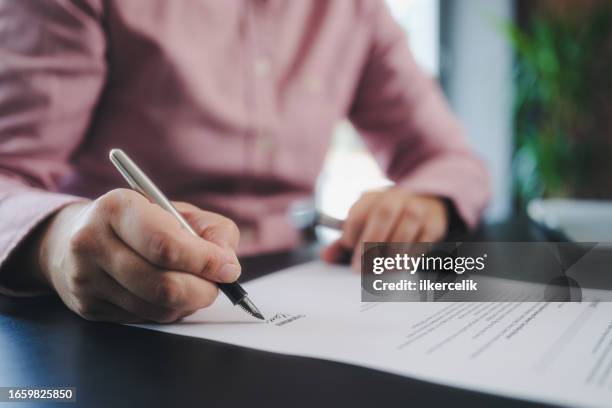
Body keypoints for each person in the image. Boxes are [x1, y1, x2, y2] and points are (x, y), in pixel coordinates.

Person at [0, 0, 490, 323]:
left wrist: (426, 199)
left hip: (305, 279)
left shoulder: (355, 9)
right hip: (117, 303)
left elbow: (452, 159)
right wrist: (56, 239)